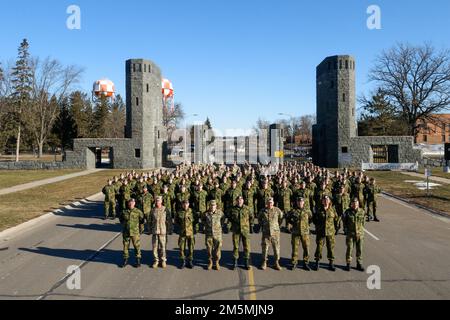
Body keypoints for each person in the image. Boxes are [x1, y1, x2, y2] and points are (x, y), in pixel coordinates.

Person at [313, 195, 338, 271]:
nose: (326, 201)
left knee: (330, 248)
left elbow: (336, 219)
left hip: (330, 233)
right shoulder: (318, 209)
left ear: (329, 201)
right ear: (322, 201)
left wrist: (334, 229)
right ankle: (317, 262)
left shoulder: (332, 210)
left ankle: (331, 263)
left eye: (327, 199)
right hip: (321, 232)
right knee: (319, 248)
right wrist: (318, 227)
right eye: (324, 200)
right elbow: (314, 219)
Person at [258, 197, 284, 271]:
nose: (270, 204)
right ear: (266, 203)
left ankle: (276, 262)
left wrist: (276, 226)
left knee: (276, 248)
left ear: (273, 203)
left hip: (275, 233)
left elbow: (281, 219)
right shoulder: (263, 211)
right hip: (266, 233)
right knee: (265, 248)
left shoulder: (277, 210)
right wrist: (263, 225)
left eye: (271, 202)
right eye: (268, 203)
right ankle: (264, 262)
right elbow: (259, 218)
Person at [287, 197, 312, 271]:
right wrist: (291, 225)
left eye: (301, 201)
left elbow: (310, 219)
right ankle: (294, 262)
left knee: (306, 248)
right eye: (298, 202)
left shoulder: (307, 211)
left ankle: (306, 263)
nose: (300, 203)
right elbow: (288, 218)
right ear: (297, 202)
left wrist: (306, 226)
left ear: (303, 202)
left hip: (305, 232)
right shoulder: (293, 211)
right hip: (295, 232)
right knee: (295, 248)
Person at [229, 195, 253, 270]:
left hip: (245, 230)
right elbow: (229, 218)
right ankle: (235, 262)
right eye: (238, 199)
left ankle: (246, 262)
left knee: (246, 246)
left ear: (243, 201)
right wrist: (230, 226)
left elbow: (251, 217)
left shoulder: (247, 208)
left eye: (241, 199)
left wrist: (250, 226)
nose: (239, 201)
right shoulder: (232, 209)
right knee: (236, 247)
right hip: (236, 231)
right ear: (236, 201)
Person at [120, 198, 144, 268]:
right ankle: (125, 260)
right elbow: (121, 219)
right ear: (128, 204)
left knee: (136, 246)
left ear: (134, 203)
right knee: (125, 246)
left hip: (135, 232)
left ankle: (138, 260)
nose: (131, 204)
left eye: (132, 203)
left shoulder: (138, 212)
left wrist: (141, 229)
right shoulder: (124, 211)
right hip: (126, 232)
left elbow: (142, 221)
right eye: (130, 203)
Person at [343, 198, 366, 272]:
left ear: (358, 203)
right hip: (350, 234)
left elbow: (363, 223)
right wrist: (347, 230)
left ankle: (359, 264)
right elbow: (345, 222)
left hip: (360, 234)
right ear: (351, 204)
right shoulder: (347, 212)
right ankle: (348, 264)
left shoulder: (362, 211)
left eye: (356, 203)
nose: (355, 204)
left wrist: (360, 231)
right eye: (353, 203)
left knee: (360, 250)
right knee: (349, 249)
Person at [202, 200, 225, 270]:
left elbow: (222, 220)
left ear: (216, 206)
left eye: (214, 205)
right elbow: (203, 221)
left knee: (218, 249)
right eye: (211, 205)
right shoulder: (206, 213)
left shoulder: (220, 213)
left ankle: (217, 262)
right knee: (209, 249)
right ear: (209, 206)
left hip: (217, 234)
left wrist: (219, 227)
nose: (212, 207)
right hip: (209, 234)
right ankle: (210, 262)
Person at [148, 196, 170, 269]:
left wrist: (169, 229)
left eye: (159, 201)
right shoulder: (153, 210)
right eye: (156, 201)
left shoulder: (165, 210)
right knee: (155, 247)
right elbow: (149, 221)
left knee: (163, 247)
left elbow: (168, 220)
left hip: (163, 231)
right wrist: (149, 229)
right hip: (155, 231)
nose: (157, 202)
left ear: (161, 201)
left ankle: (163, 260)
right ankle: (156, 260)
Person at [175, 200, 196, 269]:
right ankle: (183, 261)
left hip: (190, 233)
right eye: (184, 204)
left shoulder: (192, 212)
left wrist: (194, 229)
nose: (185, 205)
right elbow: (176, 221)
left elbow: (195, 221)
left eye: (186, 204)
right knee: (181, 248)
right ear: (182, 205)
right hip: (182, 233)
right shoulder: (179, 212)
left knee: (191, 248)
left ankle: (190, 261)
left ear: (188, 204)